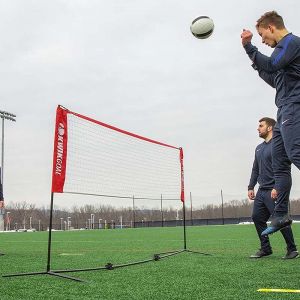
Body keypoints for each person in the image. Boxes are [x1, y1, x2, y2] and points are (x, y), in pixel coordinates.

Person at [241, 11, 300, 235]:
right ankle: (281, 214)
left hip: (295, 106)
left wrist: (249, 48)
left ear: (272, 27)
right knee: (280, 162)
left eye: (262, 35)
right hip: (284, 108)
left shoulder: (291, 43)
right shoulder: (282, 57)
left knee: (295, 152)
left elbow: (272, 64)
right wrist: (256, 63)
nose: (262, 41)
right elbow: (272, 77)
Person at [248, 117, 298, 259]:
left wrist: (278, 186)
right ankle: (266, 248)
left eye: (261, 125)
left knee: (279, 219)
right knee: (256, 217)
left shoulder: (279, 145)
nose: (258, 128)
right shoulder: (259, 148)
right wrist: (251, 186)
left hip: (275, 189)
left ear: (270, 128)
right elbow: (255, 169)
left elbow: (284, 168)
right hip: (262, 191)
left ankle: (292, 249)